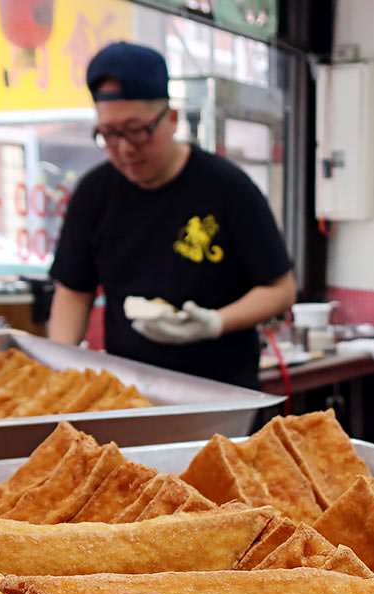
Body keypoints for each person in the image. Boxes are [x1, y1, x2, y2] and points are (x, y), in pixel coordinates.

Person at [47, 42, 296, 388]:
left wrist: (213, 322)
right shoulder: (94, 192)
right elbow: (74, 291)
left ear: (172, 119)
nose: (123, 148)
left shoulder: (226, 187)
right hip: (130, 389)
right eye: (109, 134)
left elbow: (280, 289)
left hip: (220, 390)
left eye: (136, 130)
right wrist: (60, 371)